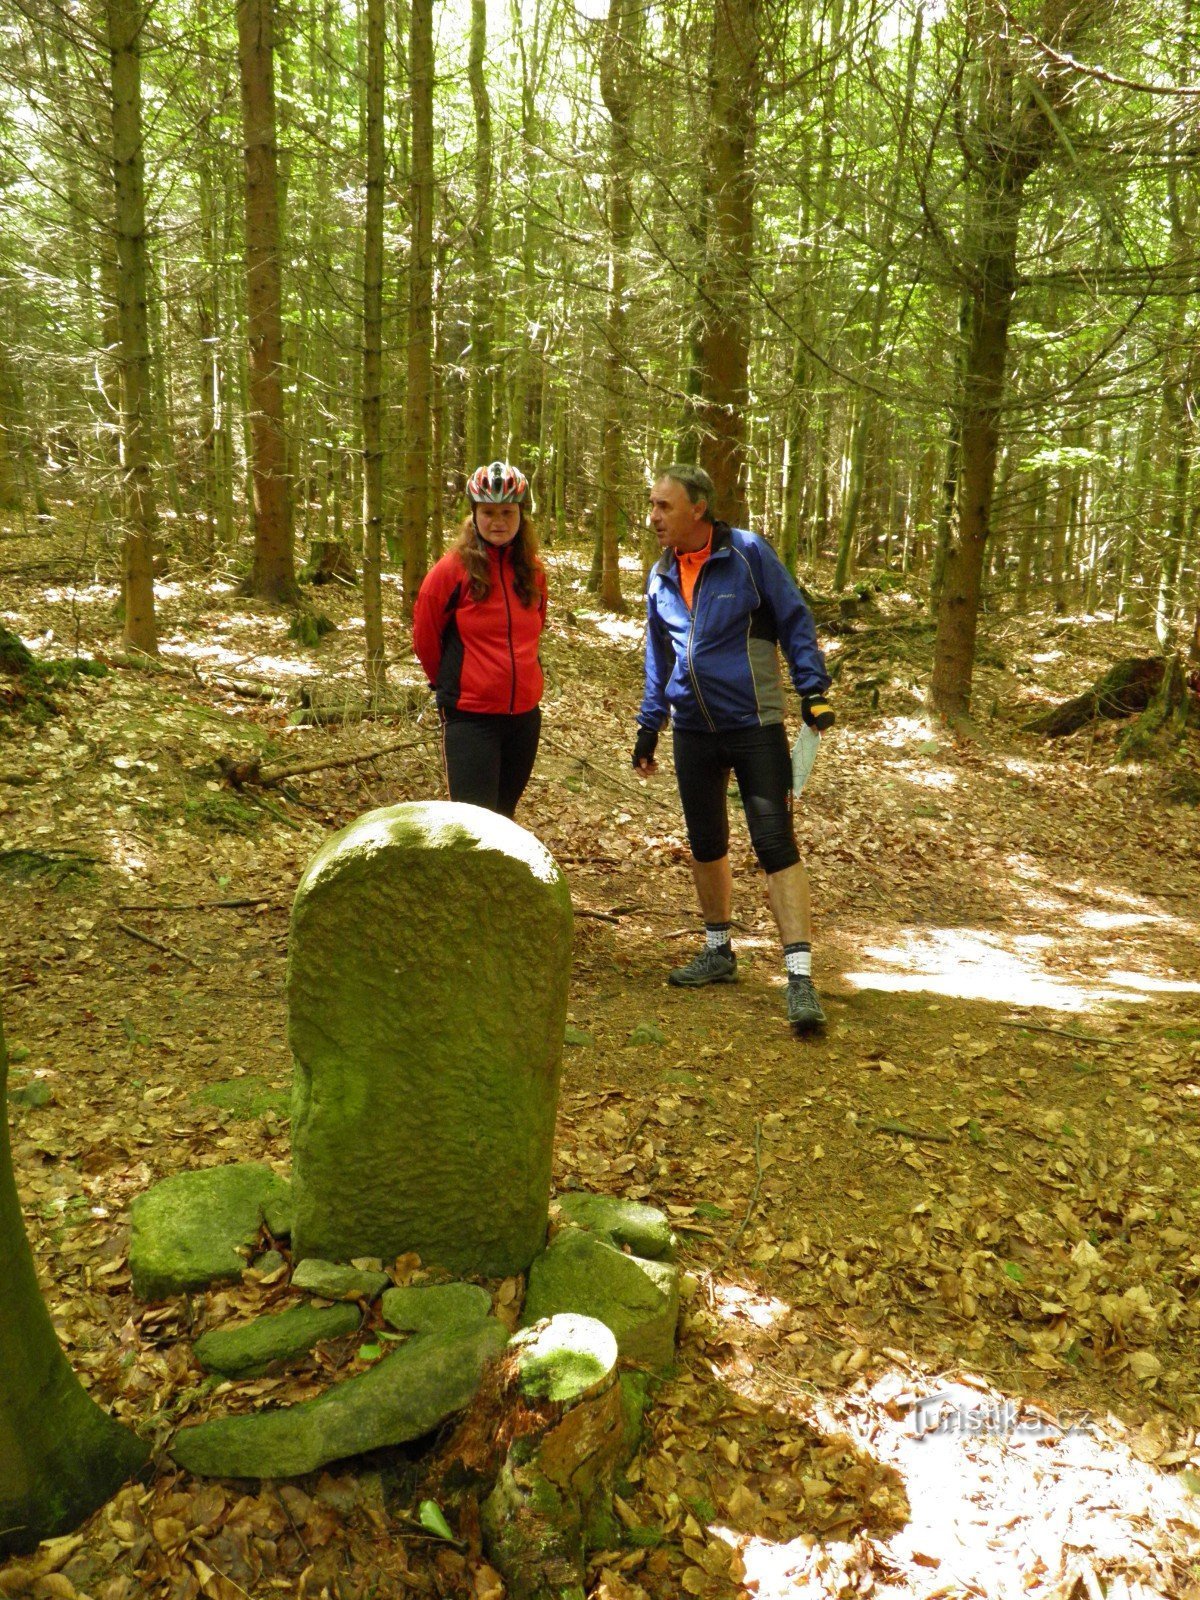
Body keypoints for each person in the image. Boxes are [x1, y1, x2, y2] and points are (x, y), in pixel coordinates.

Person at [632, 464, 835, 1033]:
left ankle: (799, 978)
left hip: (753, 722)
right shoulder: (661, 573)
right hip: (692, 729)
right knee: (705, 841)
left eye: (664, 507)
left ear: (698, 508)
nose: (654, 518)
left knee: (775, 844)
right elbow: (660, 655)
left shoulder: (747, 553)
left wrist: (812, 688)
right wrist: (651, 724)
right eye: (652, 506)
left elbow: (794, 616)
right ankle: (719, 952)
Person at [413, 460, 547, 818]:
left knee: (504, 818)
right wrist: (453, 685)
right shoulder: (450, 571)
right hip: (470, 718)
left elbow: (536, 628)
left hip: (523, 717)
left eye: (507, 511)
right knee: (474, 824)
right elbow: (425, 638)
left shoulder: (532, 570)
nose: (498, 521)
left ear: (521, 514)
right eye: (488, 512)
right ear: (474, 515)